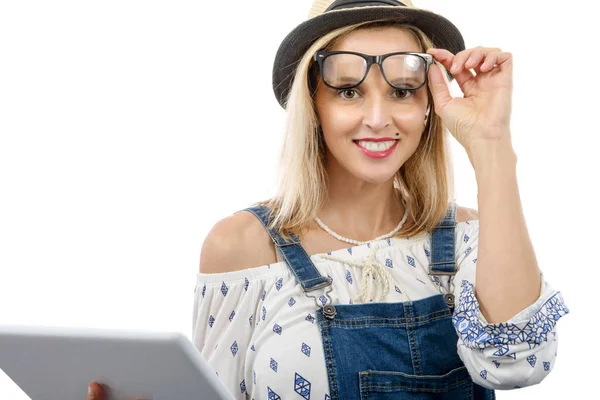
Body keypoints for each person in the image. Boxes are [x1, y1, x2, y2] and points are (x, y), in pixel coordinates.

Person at [88, 0, 569, 399]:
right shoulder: (244, 247)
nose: (378, 118)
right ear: (313, 104)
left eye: (402, 91)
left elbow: (516, 364)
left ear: (428, 106)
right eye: (348, 92)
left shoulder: (468, 239)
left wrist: (491, 146)